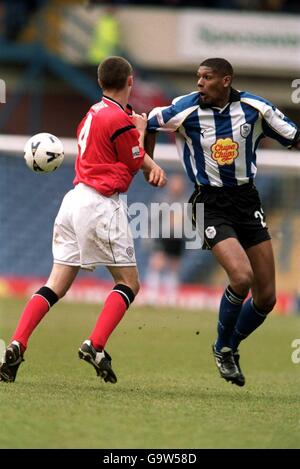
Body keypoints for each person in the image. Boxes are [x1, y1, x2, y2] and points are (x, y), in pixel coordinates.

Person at [0, 56, 166, 384]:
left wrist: (144, 153)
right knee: (129, 283)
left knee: (56, 284)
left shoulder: (92, 113)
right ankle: (96, 344)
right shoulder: (120, 120)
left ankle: (17, 344)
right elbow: (132, 164)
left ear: (101, 82)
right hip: (102, 205)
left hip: (73, 201)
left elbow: (121, 154)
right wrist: (144, 132)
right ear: (130, 80)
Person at [146, 57, 300, 387]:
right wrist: (147, 167)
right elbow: (148, 122)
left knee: (266, 298)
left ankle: (228, 345)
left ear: (226, 80)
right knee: (241, 276)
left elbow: (294, 137)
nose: (199, 83)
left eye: (207, 77)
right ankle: (223, 349)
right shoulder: (184, 109)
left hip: (247, 202)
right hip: (209, 203)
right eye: (198, 77)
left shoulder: (256, 109)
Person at [144, 173, 186, 304]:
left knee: (174, 266)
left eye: (179, 184)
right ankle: (151, 295)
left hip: (178, 238)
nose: (176, 187)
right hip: (163, 236)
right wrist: (150, 235)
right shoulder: (163, 200)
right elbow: (153, 218)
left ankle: (171, 296)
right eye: (175, 184)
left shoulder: (186, 201)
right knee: (157, 263)